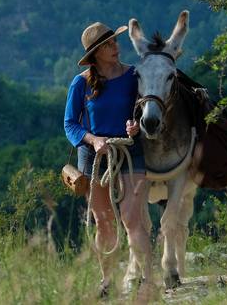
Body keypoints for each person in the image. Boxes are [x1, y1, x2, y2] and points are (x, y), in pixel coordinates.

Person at [63, 22, 151, 297]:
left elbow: (145, 110)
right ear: (97, 53)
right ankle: (107, 281)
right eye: (109, 44)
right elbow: (70, 125)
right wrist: (94, 140)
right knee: (103, 221)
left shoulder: (134, 76)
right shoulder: (81, 83)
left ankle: (148, 279)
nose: (116, 47)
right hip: (94, 157)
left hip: (129, 150)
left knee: (132, 218)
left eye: (115, 42)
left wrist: (135, 126)